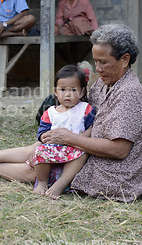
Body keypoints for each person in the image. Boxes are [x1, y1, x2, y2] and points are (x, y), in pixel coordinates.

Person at [0, 24, 142, 202]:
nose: (98, 69)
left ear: (125, 59)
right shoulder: (106, 82)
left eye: (103, 62)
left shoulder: (129, 94)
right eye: (95, 61)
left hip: (112, 172)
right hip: (90, 150)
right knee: (39, 147)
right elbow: (83, 110)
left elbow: (119, 150)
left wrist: (69, 138)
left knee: (40, 166)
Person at [32, 65, 95, 200]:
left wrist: (80, 138)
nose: (67, 94)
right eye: (62, 90)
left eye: (73, 90)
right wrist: (44, 136)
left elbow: (92, 128)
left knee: (82, 153)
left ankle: (61, 183)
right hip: (54, 149)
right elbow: (42, 131)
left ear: (82, 92)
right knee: (38, 151)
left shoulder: (85, 109)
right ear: (55, 91)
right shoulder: (50, 112)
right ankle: (42, 182)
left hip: (75, 149)